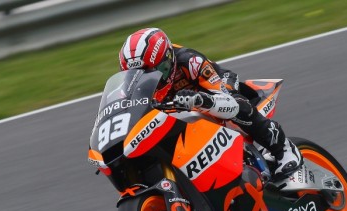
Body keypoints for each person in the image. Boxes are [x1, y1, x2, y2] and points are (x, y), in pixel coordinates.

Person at [118, 28, 302, 178]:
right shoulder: (130, 83)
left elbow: (223, 94)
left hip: (215, 87)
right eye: (143, 75)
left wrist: (202, 100)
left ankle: (282, 148)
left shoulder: (190, 60)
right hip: (177, 106)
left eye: (158, 71)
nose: (154, 79)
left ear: (169, 58)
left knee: (235, 104)